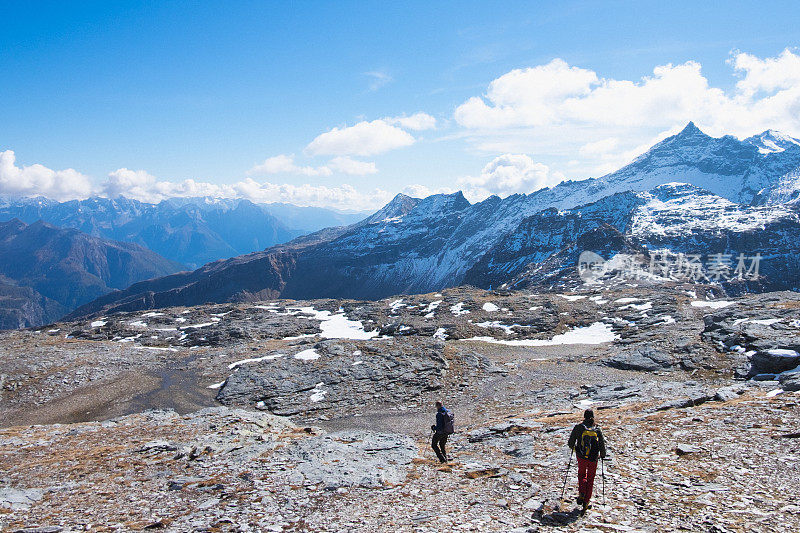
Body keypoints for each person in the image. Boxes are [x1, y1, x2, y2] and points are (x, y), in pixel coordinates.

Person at [567, 409, 607, 515]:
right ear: (593, 416)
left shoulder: (578, 427)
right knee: (590, 478)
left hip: (581, 457)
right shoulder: (597, 429)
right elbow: (602, 444)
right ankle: (586, 500)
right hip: (593, 458)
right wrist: (602, 455)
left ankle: (582, 493)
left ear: (584, 416)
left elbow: (570, 443)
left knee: (581, 475)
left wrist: (576, 449)